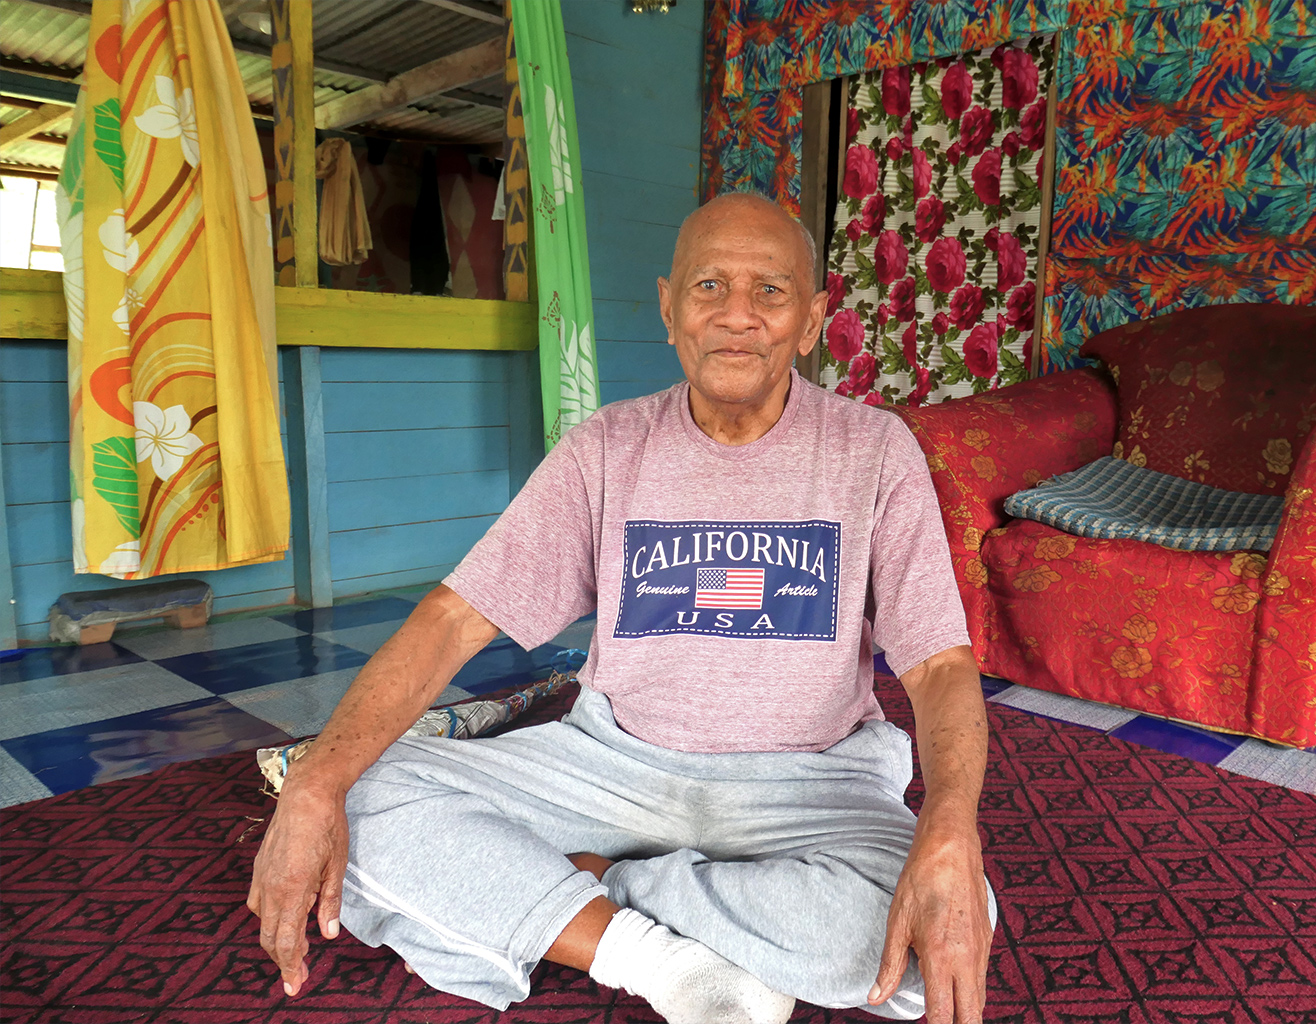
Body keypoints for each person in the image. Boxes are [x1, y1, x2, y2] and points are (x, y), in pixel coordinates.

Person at [247, 192, 995, 1024]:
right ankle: (669, 964)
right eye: (710, 287)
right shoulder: (605, 447)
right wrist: (315, 785)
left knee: (951, 928)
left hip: (810, 779)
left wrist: (950, 826)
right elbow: (455, 619)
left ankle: (599, 885)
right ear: (669, 309)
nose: (738, 316)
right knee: (349, 796)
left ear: (814, 319)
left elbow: (937, 664)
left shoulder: (875, 449)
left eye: (771, 292)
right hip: (613, 765)